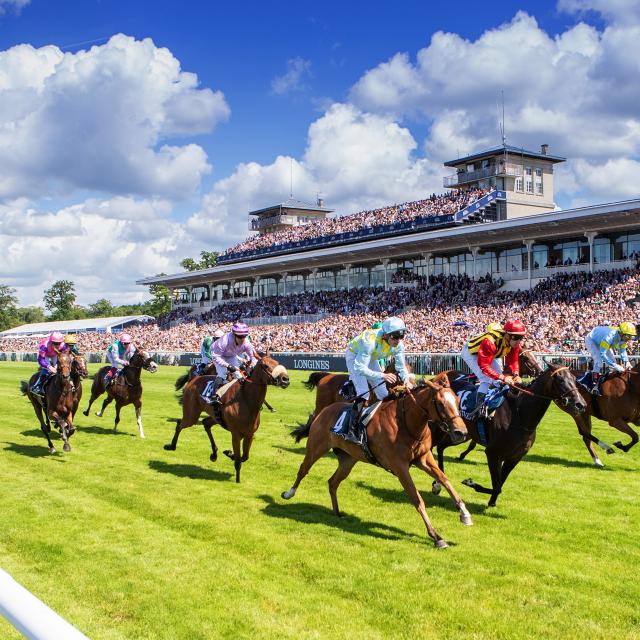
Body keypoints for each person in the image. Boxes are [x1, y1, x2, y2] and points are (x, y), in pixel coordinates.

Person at [340, 316, 415, 444]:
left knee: (383, 393)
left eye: (401, 337)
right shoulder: (369, 340)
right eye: (395, 337)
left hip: (372, 357)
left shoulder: (398, 345)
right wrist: (382, 376)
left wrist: (406, 379)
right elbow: (360, 368)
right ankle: (351, 431)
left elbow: (400, 366)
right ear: (385, 335)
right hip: (355, 357)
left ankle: (381, 424)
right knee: (364, 392)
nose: (398, 340)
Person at [461, 319, 526, 416]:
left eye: (521, 337)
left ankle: (501, 406)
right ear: (507, 335)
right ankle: (479, 409)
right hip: (471, 353)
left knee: (499, 382)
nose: (519, 341)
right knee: (486, 379)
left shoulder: (514, 343)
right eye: (516, 337)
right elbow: (484, 367)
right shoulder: (490, 341)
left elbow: (513, 361)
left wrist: (516, 374)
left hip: (486, 355)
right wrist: (503, 377)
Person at [206, 322, 259, 405]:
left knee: (239, 376)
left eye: (244, 336)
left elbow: (253, 357)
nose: (242, 339)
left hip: (231, 355)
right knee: (222, 373)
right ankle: (213, 396)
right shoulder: (224, 340)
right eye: (239, 336)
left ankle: (240, 395)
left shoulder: (247, 343)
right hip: (218, 354)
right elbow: (216, 357)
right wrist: (228, 366)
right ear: (234, 334)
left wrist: (250, 366)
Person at [584, 322, 637, 395]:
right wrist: (615, 365)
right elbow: (603, 354)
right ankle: (594, 386)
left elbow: (622, 351)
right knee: (599, 360)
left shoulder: (623, 338)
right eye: (628, 336)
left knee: (613, 361)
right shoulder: (609, 336)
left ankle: (610, 384)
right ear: (621, 333)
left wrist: (626, 362)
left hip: (602, 341)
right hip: (591, 340)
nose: (629, 339)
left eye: (631, 336)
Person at [31, 331, 67, 396]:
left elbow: (63, 357)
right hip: (46, 355)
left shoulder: (63, 346)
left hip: (55, 355)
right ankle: (37, 386)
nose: (57, 345)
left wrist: (56, 365)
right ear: (51, 342)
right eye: (55, 343)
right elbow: (40, 360)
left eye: (59, 343)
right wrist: (49, 367)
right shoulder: (44, 346)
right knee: (47, 370)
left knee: (62, 367)